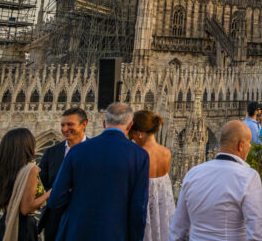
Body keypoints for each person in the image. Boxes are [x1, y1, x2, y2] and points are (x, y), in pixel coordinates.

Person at [47, 102, 149, 241]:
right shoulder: (139, 155)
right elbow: (138, 208)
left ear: (104, 123)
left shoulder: (77, 150)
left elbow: (55, 199)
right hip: (115, 234)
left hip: (77, 232)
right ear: (130, 126)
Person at [169, 120, 262, 241]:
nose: (250, 146)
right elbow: (257, 232)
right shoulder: (248, 177)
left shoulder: (192, 174)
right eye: (249, 143)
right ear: (241, 145)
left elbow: (177, 230)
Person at [0, 128, 51, 241]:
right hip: (21, 228)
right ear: (27, 146)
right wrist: (50, 193)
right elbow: (26, 209)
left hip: (3, 226)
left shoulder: (2, 171)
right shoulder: (31, 170)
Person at [38, 108, 88, 241]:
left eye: (70, 124)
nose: (65, 129)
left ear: (84, 124)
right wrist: (55, 192)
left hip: (84, 217)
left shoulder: (95, 150)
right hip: (55, 220)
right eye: (62, 125)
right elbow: (40, 185)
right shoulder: (51, 153)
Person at [129, 110, 174, 241]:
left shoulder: (138, 154)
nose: (132, 138)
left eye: (132, 134)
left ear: (139, 133)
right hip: (162, 208)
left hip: (143, 206)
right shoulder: (166, 152)